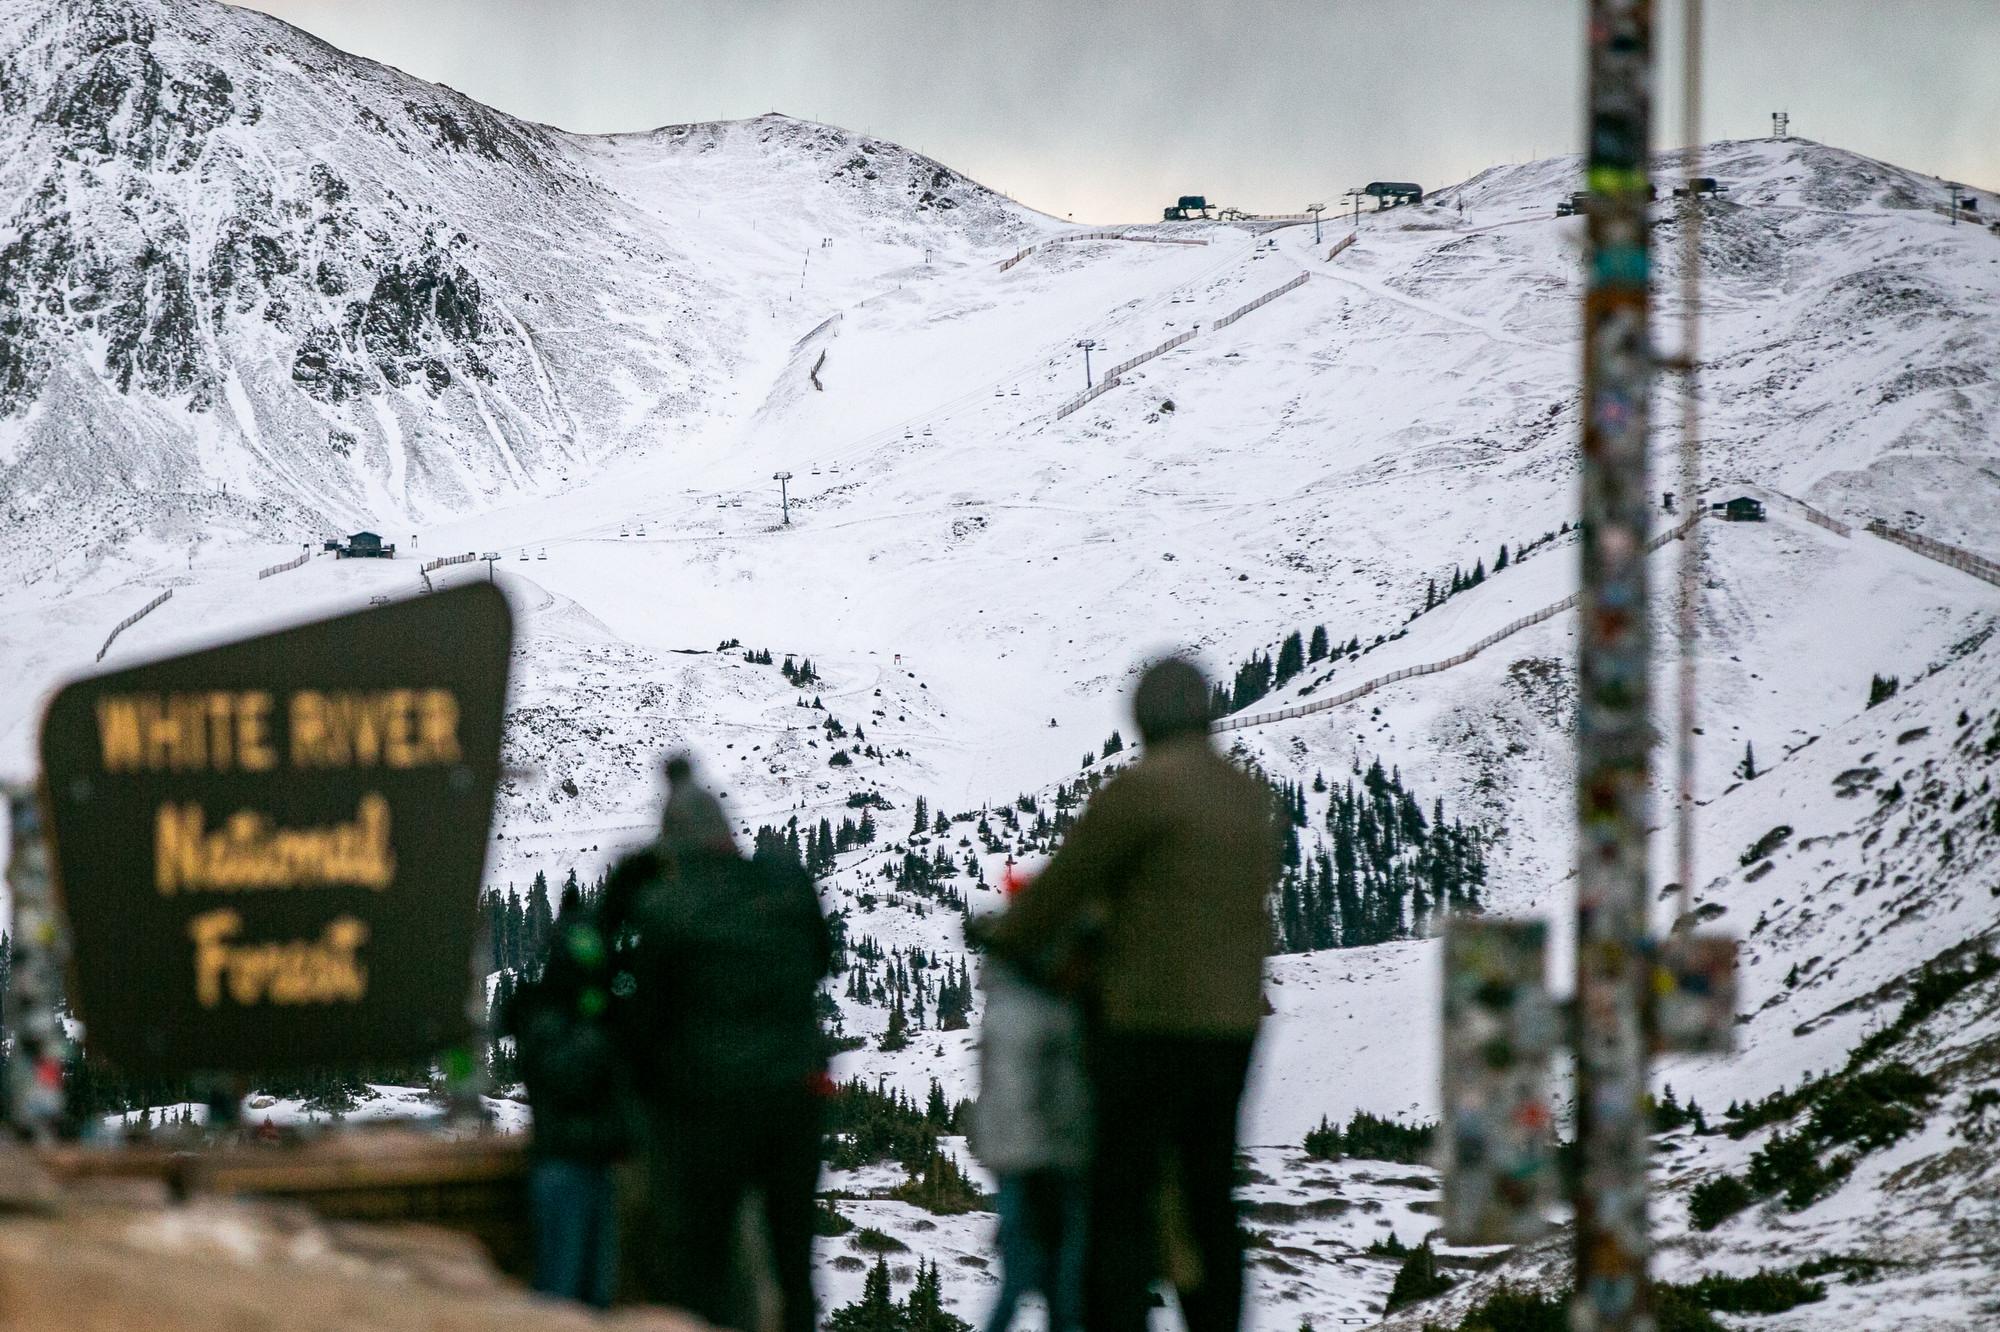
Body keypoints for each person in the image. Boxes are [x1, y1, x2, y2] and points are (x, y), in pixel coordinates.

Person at [987, 657, 1279, 1332]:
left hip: (1145, 1026)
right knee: (1209, 1196)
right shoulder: (1246, 797)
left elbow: (1060, 892)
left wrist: (1009, 935)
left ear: (1144, 719)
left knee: (1122, 1198)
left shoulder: (1142, 790)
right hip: (1232, 1029)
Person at [617, 755, 832, 1332]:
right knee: (794, 1259)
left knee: (703, 1257)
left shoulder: (668, 908)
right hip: (794, 1097)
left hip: (711, 1107)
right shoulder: (782, 888)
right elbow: (821, 959)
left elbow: (645, 1022)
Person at [969, 869, 1090, 1332]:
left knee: (1034, 1278)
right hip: (1040, 1154)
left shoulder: (1016, 986)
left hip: (1029, 1152)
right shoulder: (1033, 993)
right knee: (1044, 1277)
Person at [508, 899, 636, 1308]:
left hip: (596, 1160)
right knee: (563, 1294)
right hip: (565, 1160)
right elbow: (565, 1079)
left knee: (591, 1293)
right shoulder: (552, 1012)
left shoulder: (574, 1009)